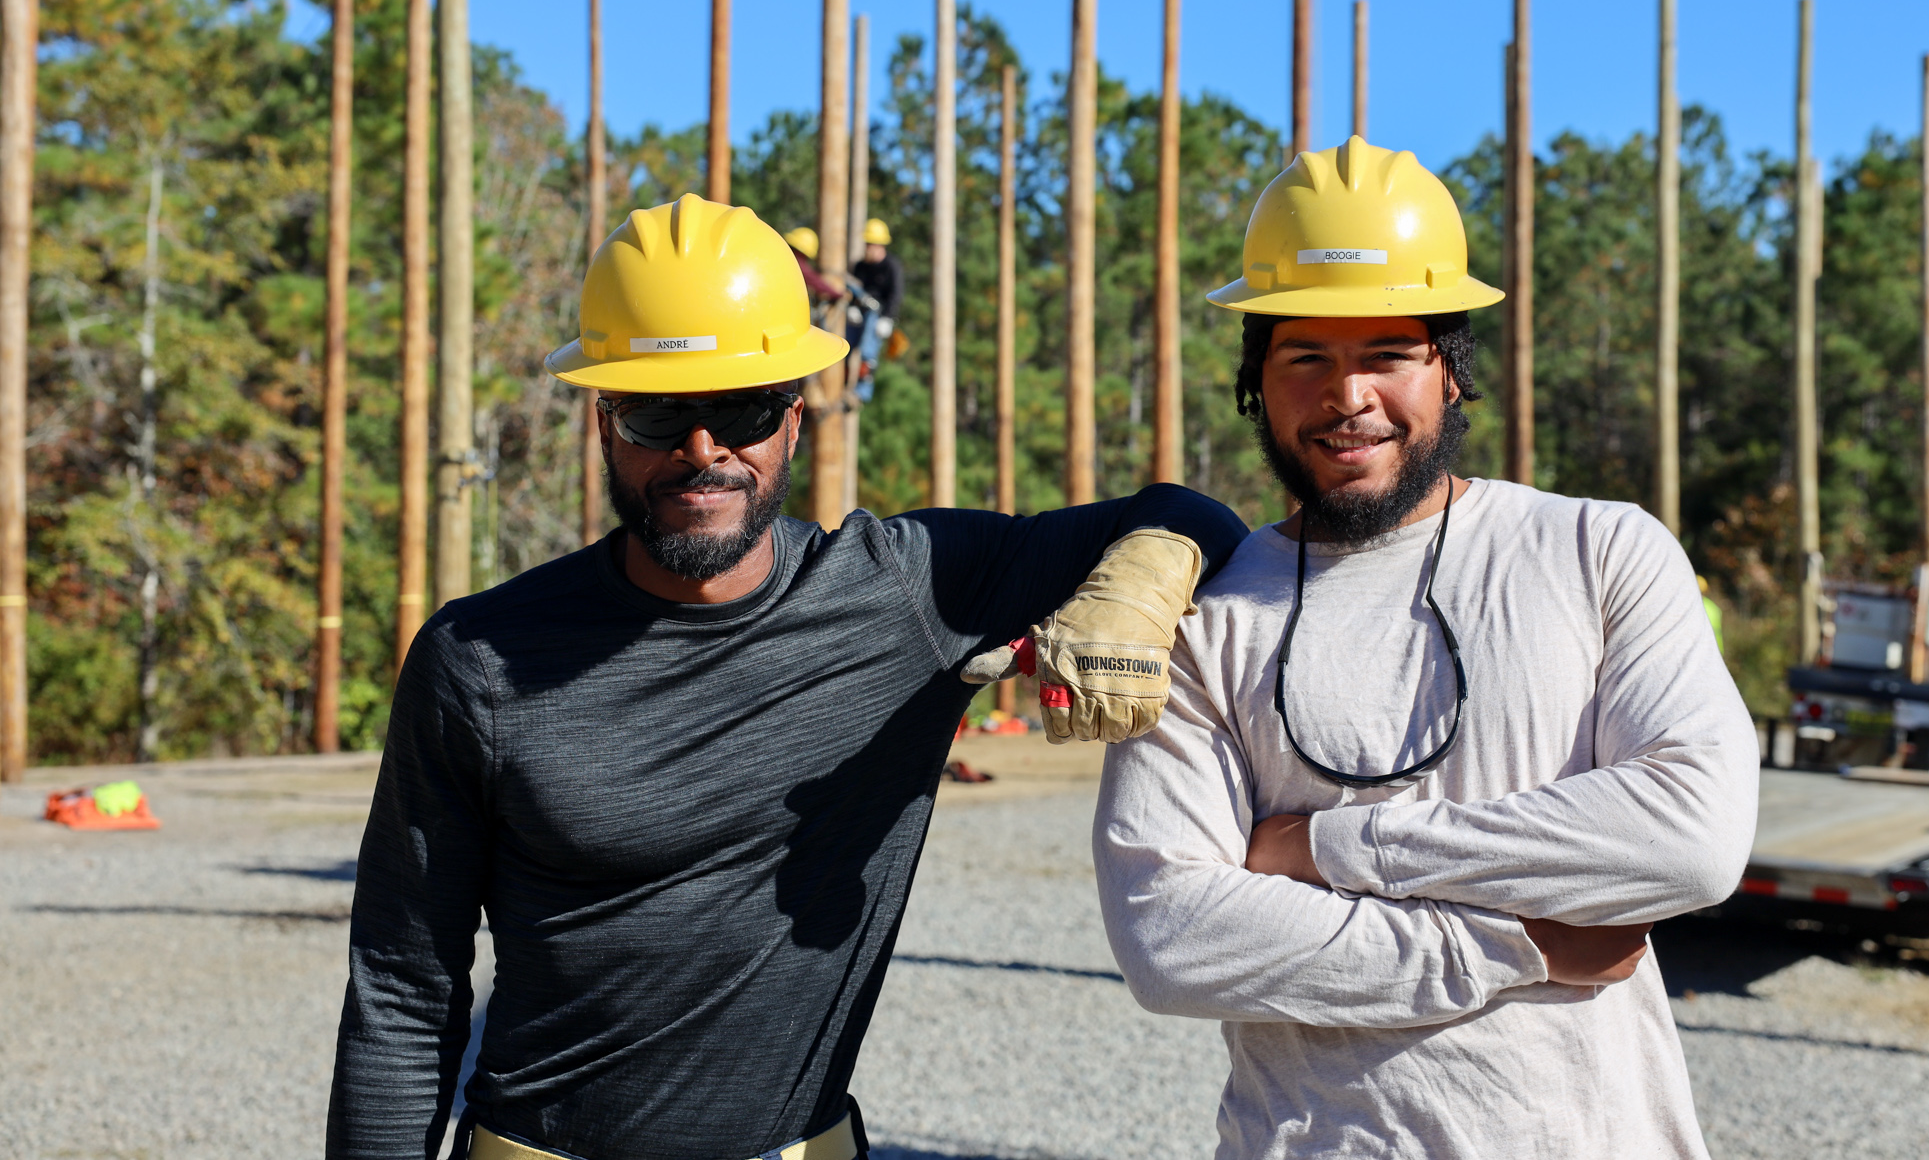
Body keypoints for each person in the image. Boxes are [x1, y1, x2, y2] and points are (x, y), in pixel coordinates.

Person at [328, 195, 1246, 1160]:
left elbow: (1191, 513)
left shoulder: (905, 595)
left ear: (794, 422)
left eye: (743, 408)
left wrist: (1134, 589)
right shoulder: (481, 658)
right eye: (656, 412)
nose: (701, 449)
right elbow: (403, 979)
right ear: (603, 424)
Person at [1094, 138, 1757, 1159]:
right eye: (1304, 355)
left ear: (1451, 372)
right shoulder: (1199, 617)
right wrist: (1520, 944)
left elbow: (1691, 835)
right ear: (1253, 383)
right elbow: (1170, 934)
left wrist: (1323, 848)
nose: (1346, 394)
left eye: (1386, 354)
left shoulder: (1595, 549)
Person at [849, 218, 903, 402]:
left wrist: (887, 318)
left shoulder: (891, 267)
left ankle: (862, 392)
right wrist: (852, 308)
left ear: (880, 246)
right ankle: (842, 385)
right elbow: (853, 290)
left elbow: (896, 294)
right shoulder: (860, 266)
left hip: (877, 315)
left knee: (867, 352)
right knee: (845, 347)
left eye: (870, 244)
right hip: (860, 311)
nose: (867, 248)